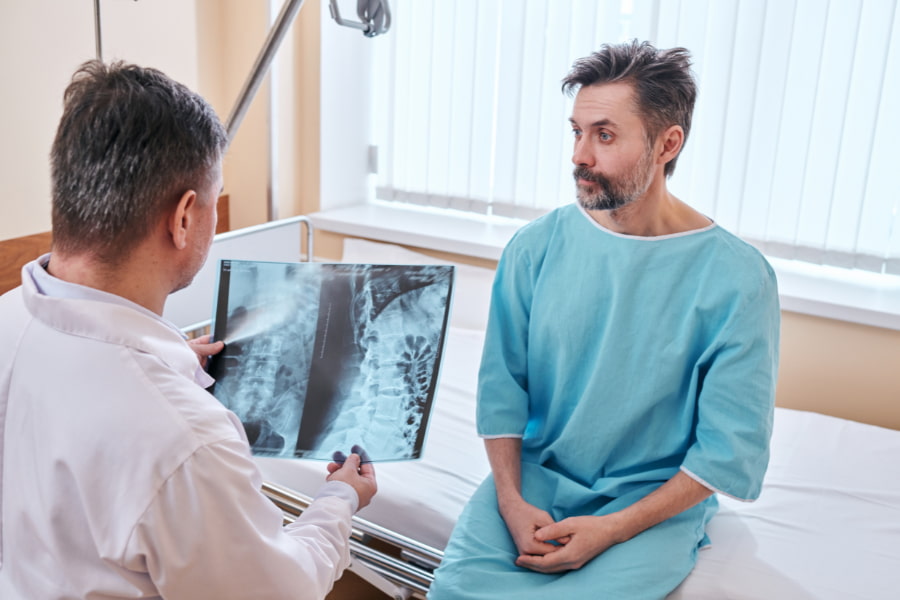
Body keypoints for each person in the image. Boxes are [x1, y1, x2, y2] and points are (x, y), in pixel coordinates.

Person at [0, 60, 376, 599]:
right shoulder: (184, 437)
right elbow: (280, 592)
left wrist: (170, 358)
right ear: (182, 218)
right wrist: (338, 501)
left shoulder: (8, 317)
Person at [428, 40, 780, 599]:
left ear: (668, 144)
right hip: (533, 483)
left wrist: (611, 529)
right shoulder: (535, 249)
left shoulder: (737, 278)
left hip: (647, 504)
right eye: (577, 131)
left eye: (605, 135)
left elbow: (727, 450)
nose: (580, 156)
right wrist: (512, 501)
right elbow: (503, 390)